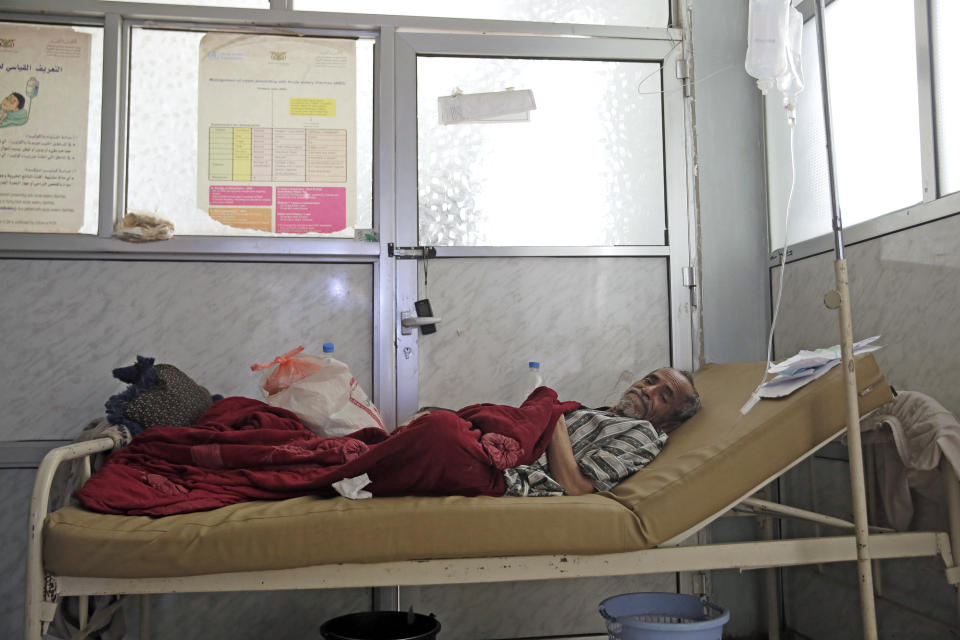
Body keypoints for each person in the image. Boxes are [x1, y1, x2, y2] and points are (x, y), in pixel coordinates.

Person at [504, 367, 701, 497]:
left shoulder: (644, 432)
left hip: (509, 474)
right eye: (649, 381)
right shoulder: (604, 416)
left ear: (670, 424)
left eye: (663, 398)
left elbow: (575, 487)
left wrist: (553, 415)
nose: (647, 390)